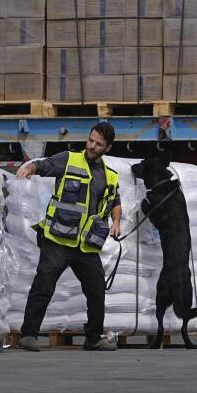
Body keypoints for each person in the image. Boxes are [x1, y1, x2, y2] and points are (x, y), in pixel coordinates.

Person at [15, 121, 122, 351]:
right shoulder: (70, 159)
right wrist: (29, 169)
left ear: (108, 148)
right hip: (58, 240)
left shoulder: (110, 176)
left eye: (98, 144)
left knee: (96, 289)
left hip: (85, 245)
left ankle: (93, 338)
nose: (92, 146)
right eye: (91, 140)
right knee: (44, 283)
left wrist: (117, 222)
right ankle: (29, 335)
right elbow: (44, 165)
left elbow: (115, 200)